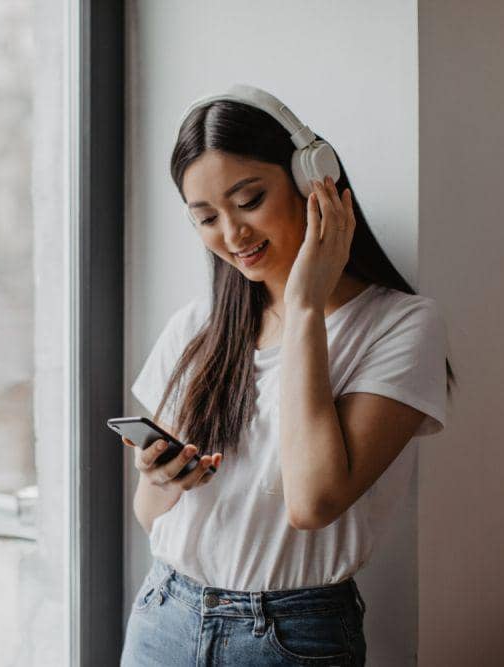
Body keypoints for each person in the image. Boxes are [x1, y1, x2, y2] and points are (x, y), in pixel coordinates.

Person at [119, 84, 456, 666]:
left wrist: (304, 307)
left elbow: (314, 501)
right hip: (164, 616)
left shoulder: (401, 325)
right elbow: (150, 516)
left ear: (313, 180)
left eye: (249, 200)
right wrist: (161, 478)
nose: (232, 235)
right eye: (206, 218)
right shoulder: (198, 324)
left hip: (289, 638)